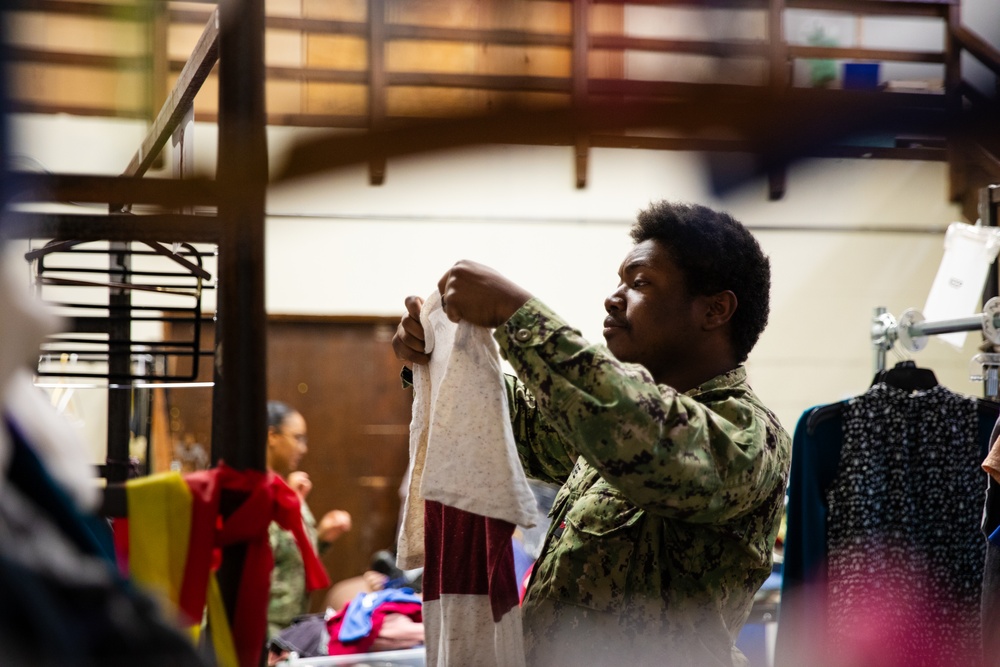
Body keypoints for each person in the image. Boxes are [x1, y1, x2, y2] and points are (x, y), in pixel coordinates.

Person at [391, 200, 791, 667]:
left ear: (715, 309)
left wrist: (517, 312)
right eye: (619, 281)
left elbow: (646, 438)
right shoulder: (605, 424)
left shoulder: (745, 435)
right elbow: (519, 420)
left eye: (639, 283)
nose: (613, 297)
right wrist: (436, 358)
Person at [266, 400, 353, 638]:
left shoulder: (285, 490)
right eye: (298, 438)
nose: (303, 448)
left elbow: (287, 557)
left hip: (286, 629)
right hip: (261, 628)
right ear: (272, 436)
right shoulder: (258, 492)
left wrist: (321, 537)